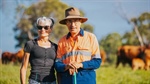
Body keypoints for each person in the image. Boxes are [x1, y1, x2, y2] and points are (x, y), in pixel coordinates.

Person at [55, 7, 102, 84]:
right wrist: (67, 66)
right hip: (67, 81)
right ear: (66, 23)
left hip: (87, 80)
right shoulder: (61, 41)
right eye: (69, 21)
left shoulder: (91, 38)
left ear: (80, 22)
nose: (72, 25)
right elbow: (57, 64)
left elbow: (97, 62)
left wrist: (80, 64)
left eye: (75, 21)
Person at [20, 16, 57, 84]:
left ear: (50, 29)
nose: (42, 29)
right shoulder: (30, 44)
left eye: (46, 27)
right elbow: (24, 68)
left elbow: (58, 70)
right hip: (35, 81)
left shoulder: (55, 47)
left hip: (52, 81)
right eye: (40, 27)